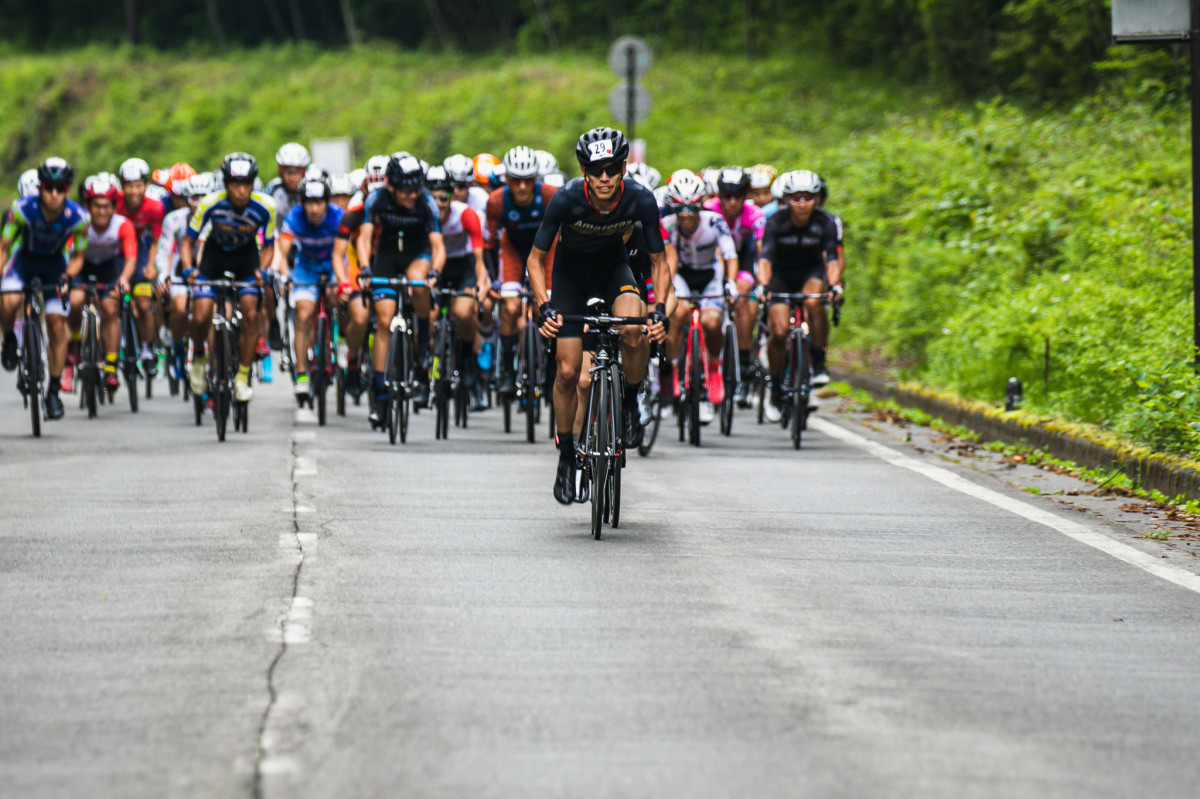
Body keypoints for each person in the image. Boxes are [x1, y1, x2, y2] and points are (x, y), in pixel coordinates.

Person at [528, 127, 670, 505]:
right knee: (570, 372)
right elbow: (535, 258)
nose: (604, 178)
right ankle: (565, 455)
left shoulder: (640, 199)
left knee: (635, 331)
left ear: (623, 168)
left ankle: (629, 402)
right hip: (570, 277)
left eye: (611, 169)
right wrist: (544, 303)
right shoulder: (567, 199)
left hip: (613, 271)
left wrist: (660, 311)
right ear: (583, 170)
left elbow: (658, 261)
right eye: (596, 170)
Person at [354, 153, 445, 426]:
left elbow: (438, 247)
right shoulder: (377, 199)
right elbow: (364, 239)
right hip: (386, 256)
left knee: (418, 282)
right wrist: (364, 268)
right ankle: (380, 392)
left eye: (417, 187)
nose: (412, 194)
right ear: (391, 186)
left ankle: (424, 340)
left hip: (418, 253)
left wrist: (435, 272)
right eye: (406, 189)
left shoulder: (426, 202)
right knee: (384, 319)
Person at [179, 152, 277, 404]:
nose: (241, 191)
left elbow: (268, 245)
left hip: (246, 259)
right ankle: (199, 358)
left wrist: (262, 270)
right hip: (214, 257)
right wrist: (189, 268)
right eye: (235, 184)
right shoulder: (209, 202)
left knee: (251, 313)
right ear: (225, 183)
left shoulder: (266, 206)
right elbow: (188, 240)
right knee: (200, 315)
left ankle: (242, 376)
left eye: (247, 184)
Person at [0, 157, 89, 420]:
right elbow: (4, 247)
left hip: (55, 265)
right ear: (39, 187)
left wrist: (67, 275)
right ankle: (8, 339)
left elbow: (78, 257)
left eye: (59, 189)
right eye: (48, 187)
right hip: (24, 261)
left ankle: (52, 391)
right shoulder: (21, 209)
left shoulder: (79, 217)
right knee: (9, 300)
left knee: (56, 324)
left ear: (67, 191)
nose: (53, 194)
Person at [757, 169, 843, 422]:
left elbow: (833, 260)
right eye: (796, 198)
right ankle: (775, 388)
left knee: (813, 301)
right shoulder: (775, 222)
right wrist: (763, 285)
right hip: (781, 275)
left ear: (817, 198)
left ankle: (817, 359)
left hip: (810, 274)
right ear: (786, 199)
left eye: (808, 198)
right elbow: (764, 260)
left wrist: (835, 285)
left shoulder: (825, 221)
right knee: (779, 331)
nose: (802, 204)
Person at [660, 172, 738, 425]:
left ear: (701, 204)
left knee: (712, 322)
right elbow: (666, 259)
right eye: (679, 208)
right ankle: (673, 367)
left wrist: (731, 282)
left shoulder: (714, 221)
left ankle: (713, 366)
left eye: (692, 207)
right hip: (683, 275)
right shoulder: (668, 224)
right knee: (678, 313)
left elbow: (729, 254)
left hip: (710, 274)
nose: (685, 214)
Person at [486, 145, 558, 397]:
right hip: (513, 251)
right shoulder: (495, 201)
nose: (523, 187)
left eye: (528, 180)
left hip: (546, 253)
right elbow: (490, 244)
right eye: (516, 180)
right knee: (511, 307)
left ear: (536, 179)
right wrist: (494, 280)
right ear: (507, 179)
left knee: (546, 308)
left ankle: (551, 371)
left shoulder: (551, 196)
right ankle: (506, 370)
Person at [277, 176, 348, 401]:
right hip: (305, 267)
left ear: (328, 201)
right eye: (309, 202)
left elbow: (345, 253)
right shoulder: (293, 217)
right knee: (304, 313)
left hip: (333, 263)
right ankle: (301, 376)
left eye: (320, 202)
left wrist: (341, 281)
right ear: (301, 202)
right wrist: (284, 276)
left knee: (337, 298)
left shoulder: (339, 217)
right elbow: (282, 251)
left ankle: (339, 344)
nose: (315, 208)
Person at [427, 165, 490, 407]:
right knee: (429, 316)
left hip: (463, 267)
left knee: (464, 312)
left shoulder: (466, 214)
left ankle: (469, 364)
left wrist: (482, 282)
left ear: (451, 197)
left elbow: (479, 259)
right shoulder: (423, 215)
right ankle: (432, 367)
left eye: (443, 198)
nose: (438, 204)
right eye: (432, 199)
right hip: (436, 269)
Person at [705, 167, 766, 408]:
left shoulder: (754, 214)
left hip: (742, 262)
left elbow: (762, 251)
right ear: (718, 194)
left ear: (745, 195)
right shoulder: (709, 209)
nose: (732, 202)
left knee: (742, 298)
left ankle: (743, 365)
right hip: (712, 261)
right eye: (726, 196)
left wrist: (762, 281)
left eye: (737, 196)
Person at [70, 175, 138, 393]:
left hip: (110, 269)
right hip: (82, 266)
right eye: (96, 207)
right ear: (88, 206)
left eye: (106, 207)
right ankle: (75, 341)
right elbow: (68, 253)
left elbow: (130, 258)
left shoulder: (123, 225)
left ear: (114, 207)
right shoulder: (80, 223)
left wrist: (124, 280)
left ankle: (110, 365)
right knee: (75, 301)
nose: (101, 212)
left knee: (110, 308)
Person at [158, 171, 213, 384]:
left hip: (209, 271)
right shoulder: (174, 219)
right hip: (182, 270)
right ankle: (179, 347)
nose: (199, 203)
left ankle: (215, 362)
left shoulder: (218, 217)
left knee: (212, 316)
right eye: (194, 198)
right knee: (180, 309)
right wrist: (164, 274)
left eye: (204, 197)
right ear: (186, 200)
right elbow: (165, 250)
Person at [116, 157, 164, 377]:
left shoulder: (154, 207)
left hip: (141, 251)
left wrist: (152, 266)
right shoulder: (114, 203)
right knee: (112, 301)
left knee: (144, 304)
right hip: (116, 252)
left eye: (138, 185)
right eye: (128, 186)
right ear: (122, 187)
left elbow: (154, 240)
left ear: (146, 186)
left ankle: (146, 349)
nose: (133, 191)